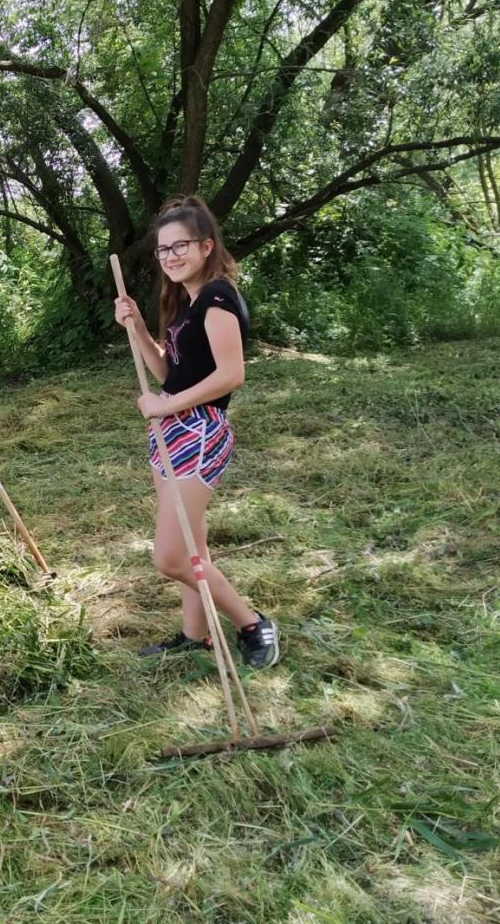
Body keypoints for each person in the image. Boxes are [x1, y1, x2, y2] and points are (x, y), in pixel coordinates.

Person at [114, 196, 281, 668]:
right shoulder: (185, 303)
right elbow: (171, 373)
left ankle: (252, 623)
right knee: (193, 546)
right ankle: (196, 634)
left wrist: (167, 406)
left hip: (199, 431)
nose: (170, 256)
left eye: (180, 246)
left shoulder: (217, 296)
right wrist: (140, 330)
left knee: (169, 557)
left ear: (206, 246)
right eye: (163, 249)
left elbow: (231, 374)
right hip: (170, 430)